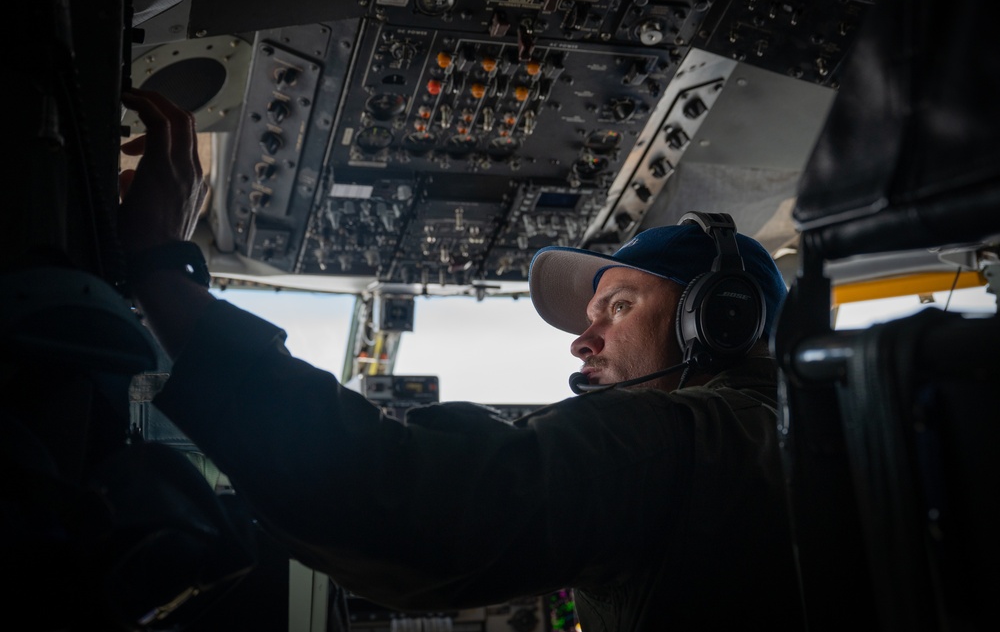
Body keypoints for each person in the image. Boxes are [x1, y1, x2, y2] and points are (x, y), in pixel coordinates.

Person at [118, 88, 805, 631]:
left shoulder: (688, 444)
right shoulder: (777, 435)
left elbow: (397, 501)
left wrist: (162, 267)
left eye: (618, 306)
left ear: (720, 318)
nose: (581, 340)